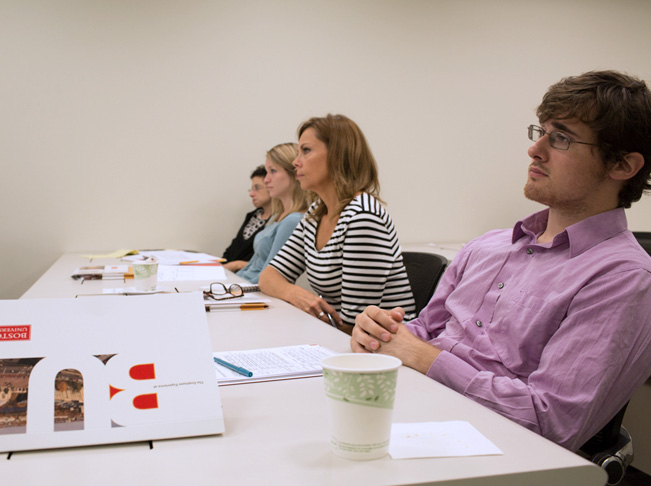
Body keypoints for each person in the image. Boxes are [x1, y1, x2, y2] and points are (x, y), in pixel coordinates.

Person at [351, 70, 651, 452]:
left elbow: (550, 421)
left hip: (492, 451)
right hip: (416, 411)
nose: (535, 149)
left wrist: (420, 355)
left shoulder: (623, 278)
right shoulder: (488, 246)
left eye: (560, 137)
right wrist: (379, 332)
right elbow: (424, 331)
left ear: (623, 166)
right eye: (539, 131)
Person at [259, 114, 415, 332]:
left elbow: (354, 323)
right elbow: (268, 277)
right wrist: (296, 294)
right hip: (341, 336)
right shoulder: (316, 212)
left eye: (306, 150)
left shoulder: (362, 217)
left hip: (378, 346)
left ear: (337, 155)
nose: (296, 162)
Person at [236, 143, 310, 284]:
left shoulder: (293, 220)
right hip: (245, 285)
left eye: (273, 171)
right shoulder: (277, 216)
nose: (266, 179)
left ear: (294, 173)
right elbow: (253, 265)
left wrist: (233, 288)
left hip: (254, 292)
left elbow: (267, 277)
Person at [222, 165, 272, 272]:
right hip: (231, 274)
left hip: (251, 279)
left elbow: (269, 264)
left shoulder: (279, 222)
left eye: (257, 188)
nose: (251, 194)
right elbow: (233, 248)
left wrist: (238, 265)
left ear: (271, 186)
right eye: (251, 189)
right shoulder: (253, 215)